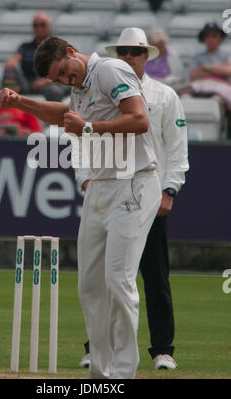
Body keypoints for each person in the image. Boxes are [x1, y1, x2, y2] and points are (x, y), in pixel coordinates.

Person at [0, 35, 162, 379]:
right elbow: (64, 114)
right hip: (100, 186)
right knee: (90, 284)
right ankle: (101, 371)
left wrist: (89, 127)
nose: (66, 81)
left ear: (71, 53)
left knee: (118, 279)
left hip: (133, 182)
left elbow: (139, 119)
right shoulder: (83, 84)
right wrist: (20, 102)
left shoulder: (110, 71)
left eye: (64, 72)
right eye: (58, 80)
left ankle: (121, 372)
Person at [77, 27, 189, 370]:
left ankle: (162, 349)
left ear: (146, 56)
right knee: (107, 276)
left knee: (153, 274)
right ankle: (100, 350)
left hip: (147, 190)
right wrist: (85, 179)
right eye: (122, 51)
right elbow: (82, 139)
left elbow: (176, 146)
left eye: (135, 52)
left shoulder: (164, 95)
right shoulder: (102, 89)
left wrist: (170, 189)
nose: (128, 57)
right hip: (109, 188)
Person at [3, 11, 68, 101]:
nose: (39, 28)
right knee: (9, 67)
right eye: (35, 25)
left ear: (50, 26)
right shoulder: (25, 46)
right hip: (27, 82)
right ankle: (9, 101)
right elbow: (16, 58)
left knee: (55, 91)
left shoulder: (57, 46)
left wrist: (43, 82)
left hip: (48, 82)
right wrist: (12, 61)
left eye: (42, 25)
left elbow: (63, 71)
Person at [0, 70, 42, 136]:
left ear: (18, 87)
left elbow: (37, 132)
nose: (8, 88)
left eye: (12, 85)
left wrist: (23, 132)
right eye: (5, 85)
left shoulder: (25, 104)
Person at [185, 22, 231, 112]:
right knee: (185, 98)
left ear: (220, 38)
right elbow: (192, 74)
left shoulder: (227, 55)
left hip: (220, 91)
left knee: (216, 100)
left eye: (214, 35)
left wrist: (206, 67)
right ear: (204, 39)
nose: (211, 39)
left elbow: (228, 71)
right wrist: (219, 69)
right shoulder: (197, 57)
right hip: (199, 89)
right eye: (207, 36)